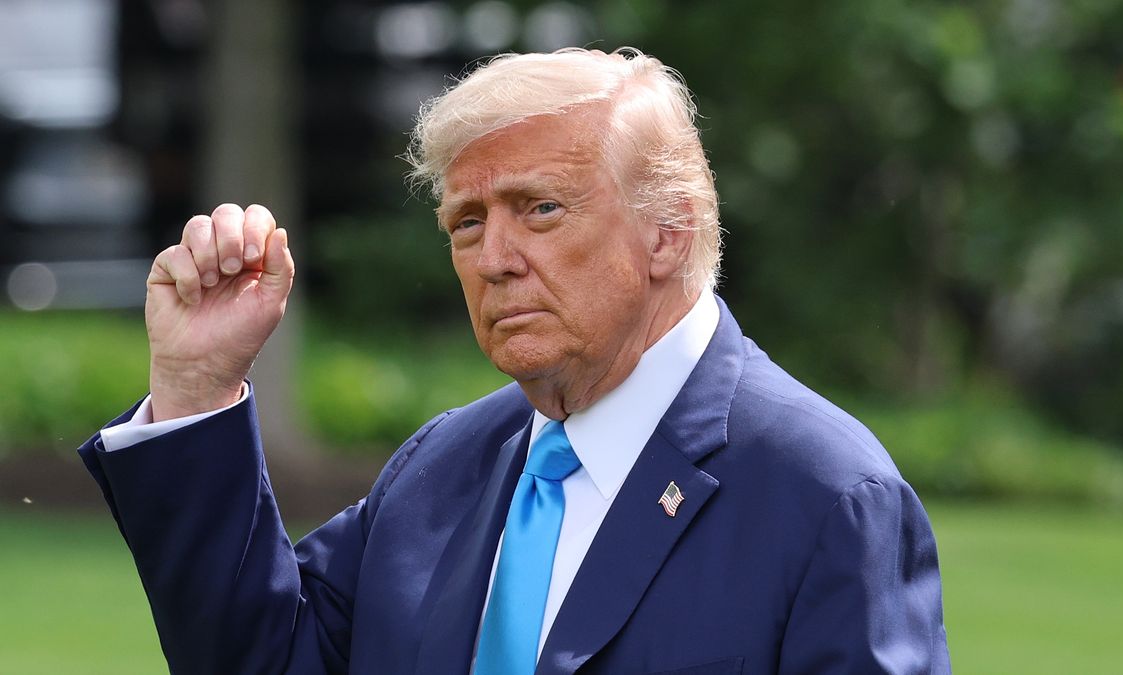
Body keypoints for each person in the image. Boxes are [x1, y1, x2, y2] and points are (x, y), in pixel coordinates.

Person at [79, 48, 950, 674]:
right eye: (467, 221)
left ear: (668, 230)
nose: (493, 256)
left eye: (539, 209)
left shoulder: (825, 494)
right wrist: (194, 387)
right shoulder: (439, 468)